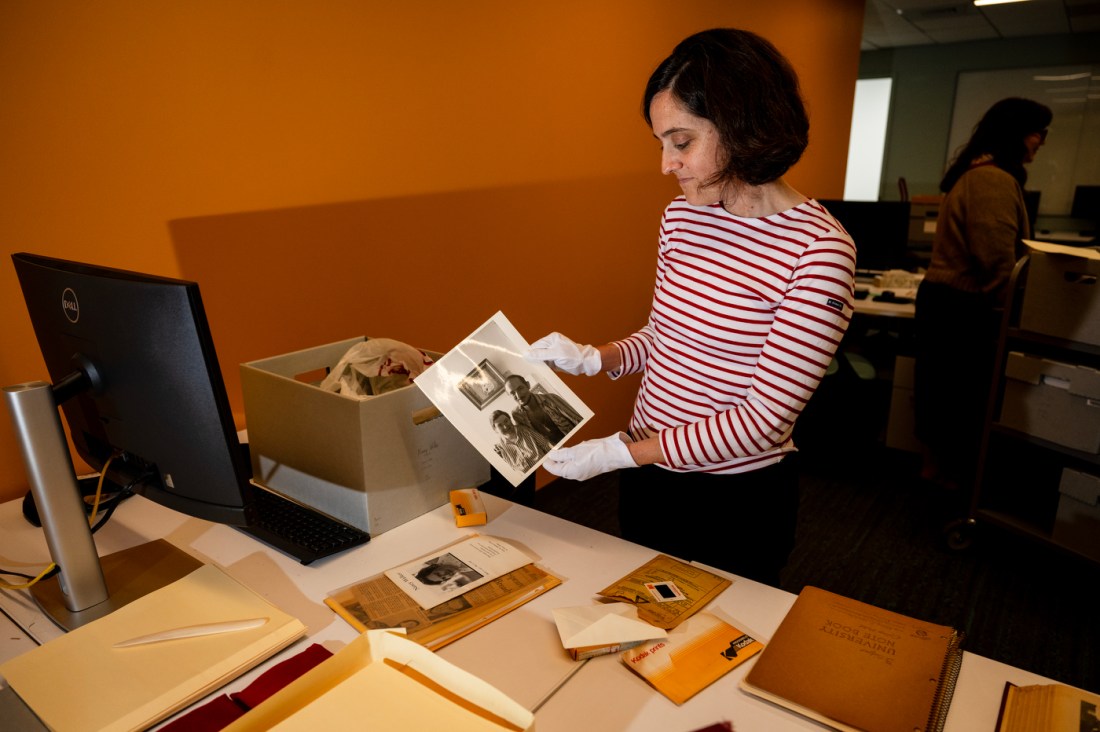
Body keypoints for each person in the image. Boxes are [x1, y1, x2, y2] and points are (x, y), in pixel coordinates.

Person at [526, 28, 856, 587]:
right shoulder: (683, 218)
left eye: (681, 142)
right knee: (640, 629)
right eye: (661, 144)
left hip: (733, 497)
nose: (665, 165)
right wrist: (592, 358)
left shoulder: (818, 251)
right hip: (650, 471)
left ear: (743, 125)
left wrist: (618, 455)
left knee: (714, 646)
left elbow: (761, 422)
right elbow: (667, 339)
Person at [914, 97, 1052, 492]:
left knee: (939, 395)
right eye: (1036, 131)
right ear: (1017, 134)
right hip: (962, 308)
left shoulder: (978, 173)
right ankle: (947, 486)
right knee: (957, 402)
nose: (1040, 141)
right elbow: (996, 262)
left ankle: (937, 477)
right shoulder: (991, 179)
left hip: (948, 303)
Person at [505, 374, 581, 445]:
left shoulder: (551, 398)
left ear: (528, 385)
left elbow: (577, 419)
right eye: (512, 393)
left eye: (520, 388)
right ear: (509, 396)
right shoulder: (516, 415)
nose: (518, 395)